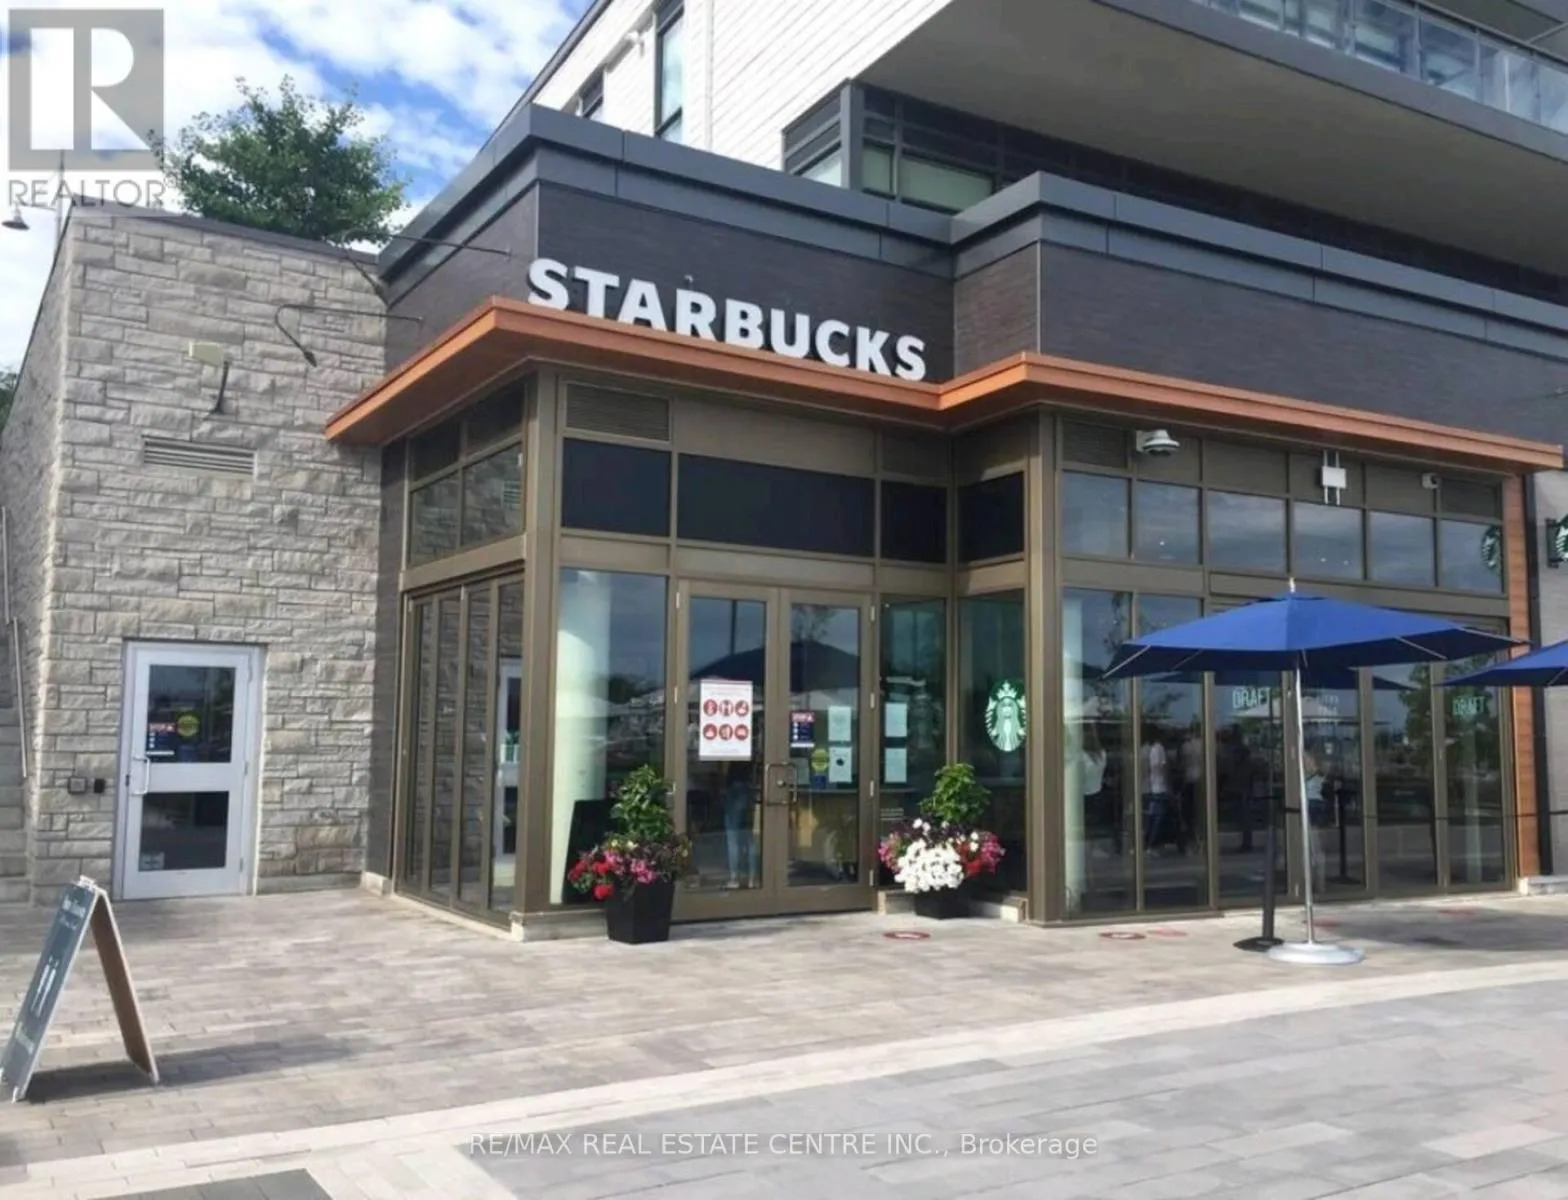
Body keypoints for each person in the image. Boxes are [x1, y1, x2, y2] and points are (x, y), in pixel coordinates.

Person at [721, 761, 755, 888]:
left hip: (734, 785)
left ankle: (735, 877)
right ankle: (752, 878)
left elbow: (725, 767)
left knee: (732, 836)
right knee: (749, 837)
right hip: (748, 785)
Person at [1143, 735, 1172, 851]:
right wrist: (1168, 784)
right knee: (1157, 818)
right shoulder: (1159, 748)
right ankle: (1152, 843)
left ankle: (1148, 843)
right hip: (1159, 788)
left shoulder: (1147, 750)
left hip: (1151, 788)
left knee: (1151, 817)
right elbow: (1162, 768)